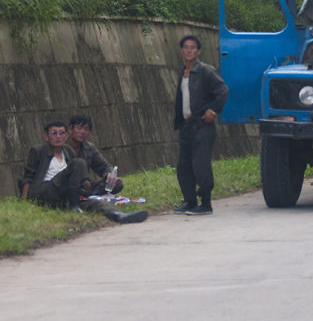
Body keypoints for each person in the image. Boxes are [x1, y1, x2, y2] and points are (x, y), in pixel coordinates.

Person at [19, 121, 148, 223]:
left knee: (96, 202)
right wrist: (25, 204)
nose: (58, 137)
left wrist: (87, 183)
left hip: (66, 194)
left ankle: (119, 216)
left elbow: (97, 168)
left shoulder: (68, 151)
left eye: (61, 133)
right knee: (79, 163)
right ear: (46, 136)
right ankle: (74, 206)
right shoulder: (38, 151)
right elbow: (28, 177)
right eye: (54, 133)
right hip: (47, 191)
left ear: (66, 135)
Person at [173, 34, 229, 215]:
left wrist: (213, 110)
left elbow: (222, 90)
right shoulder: (183, 72)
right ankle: (189, 202)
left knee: (201, 165)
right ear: (182, 51)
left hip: (202, 126)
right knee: (184, 166)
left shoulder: (206, 70)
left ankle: (206, 204)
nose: (189, 50)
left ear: (198, 51)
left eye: (193, 47)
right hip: (186, 126)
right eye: (186, 47)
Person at [67, 114, 123, 195]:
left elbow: (104, 166)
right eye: (79, 128)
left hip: (87, 186)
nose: (82, 132)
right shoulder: (61, 147)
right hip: (68, 186)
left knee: (117, 183)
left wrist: (110, 175)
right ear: (70, 130)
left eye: (86, 129)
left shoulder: (89, 148)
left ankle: (92, 196)